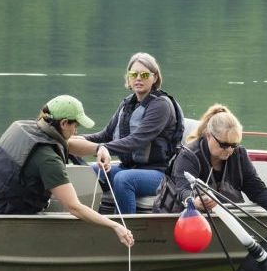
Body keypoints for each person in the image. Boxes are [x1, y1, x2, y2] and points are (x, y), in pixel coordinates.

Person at [0, 95, 135, 248]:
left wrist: (100, 148)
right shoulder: (48, 160)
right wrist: (115, 226)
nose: (76, 131)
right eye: (75, 125)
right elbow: (74, 207)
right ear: (63, 123)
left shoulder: (23, 127)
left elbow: (67, 144)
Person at [152, 104, 267, 230]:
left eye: (234, 145)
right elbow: (183, 191)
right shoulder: (188, 156)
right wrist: (195, 201)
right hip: (179, 220)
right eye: (224, 145)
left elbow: (257, 190)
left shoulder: (238, 155)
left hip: (220, 222)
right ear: (208, 135)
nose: (229, 150)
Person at [68, 52, 183, 215]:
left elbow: (136, 141)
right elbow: (106, 135)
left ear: (155, 77)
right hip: (127, 167)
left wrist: (99, 148)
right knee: (87, 173)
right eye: (133, 74)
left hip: (160, 173)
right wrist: (72, 139)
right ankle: (86, 220)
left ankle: (126, 231)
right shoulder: (128, 103)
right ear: (128, 78)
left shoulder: (161, 106)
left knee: (123, 180)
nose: (138, 78)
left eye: (144, 74)